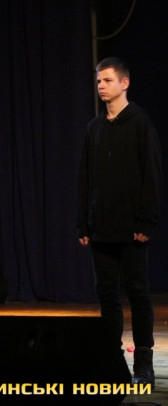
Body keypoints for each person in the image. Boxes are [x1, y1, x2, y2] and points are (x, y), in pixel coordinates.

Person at [77, 57, 163, 387]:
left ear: (124, 83)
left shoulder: (140, 124)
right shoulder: (94, 128)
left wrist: (146, 221)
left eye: (108, 80)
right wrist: (83, 223)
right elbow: (85, 178)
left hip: (131, 228)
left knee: (137, 293)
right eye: (99, 81)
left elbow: (151, 174)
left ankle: (144, 364)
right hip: (100, 227)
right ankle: (110, 361)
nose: (101, 86)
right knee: (106, 295)